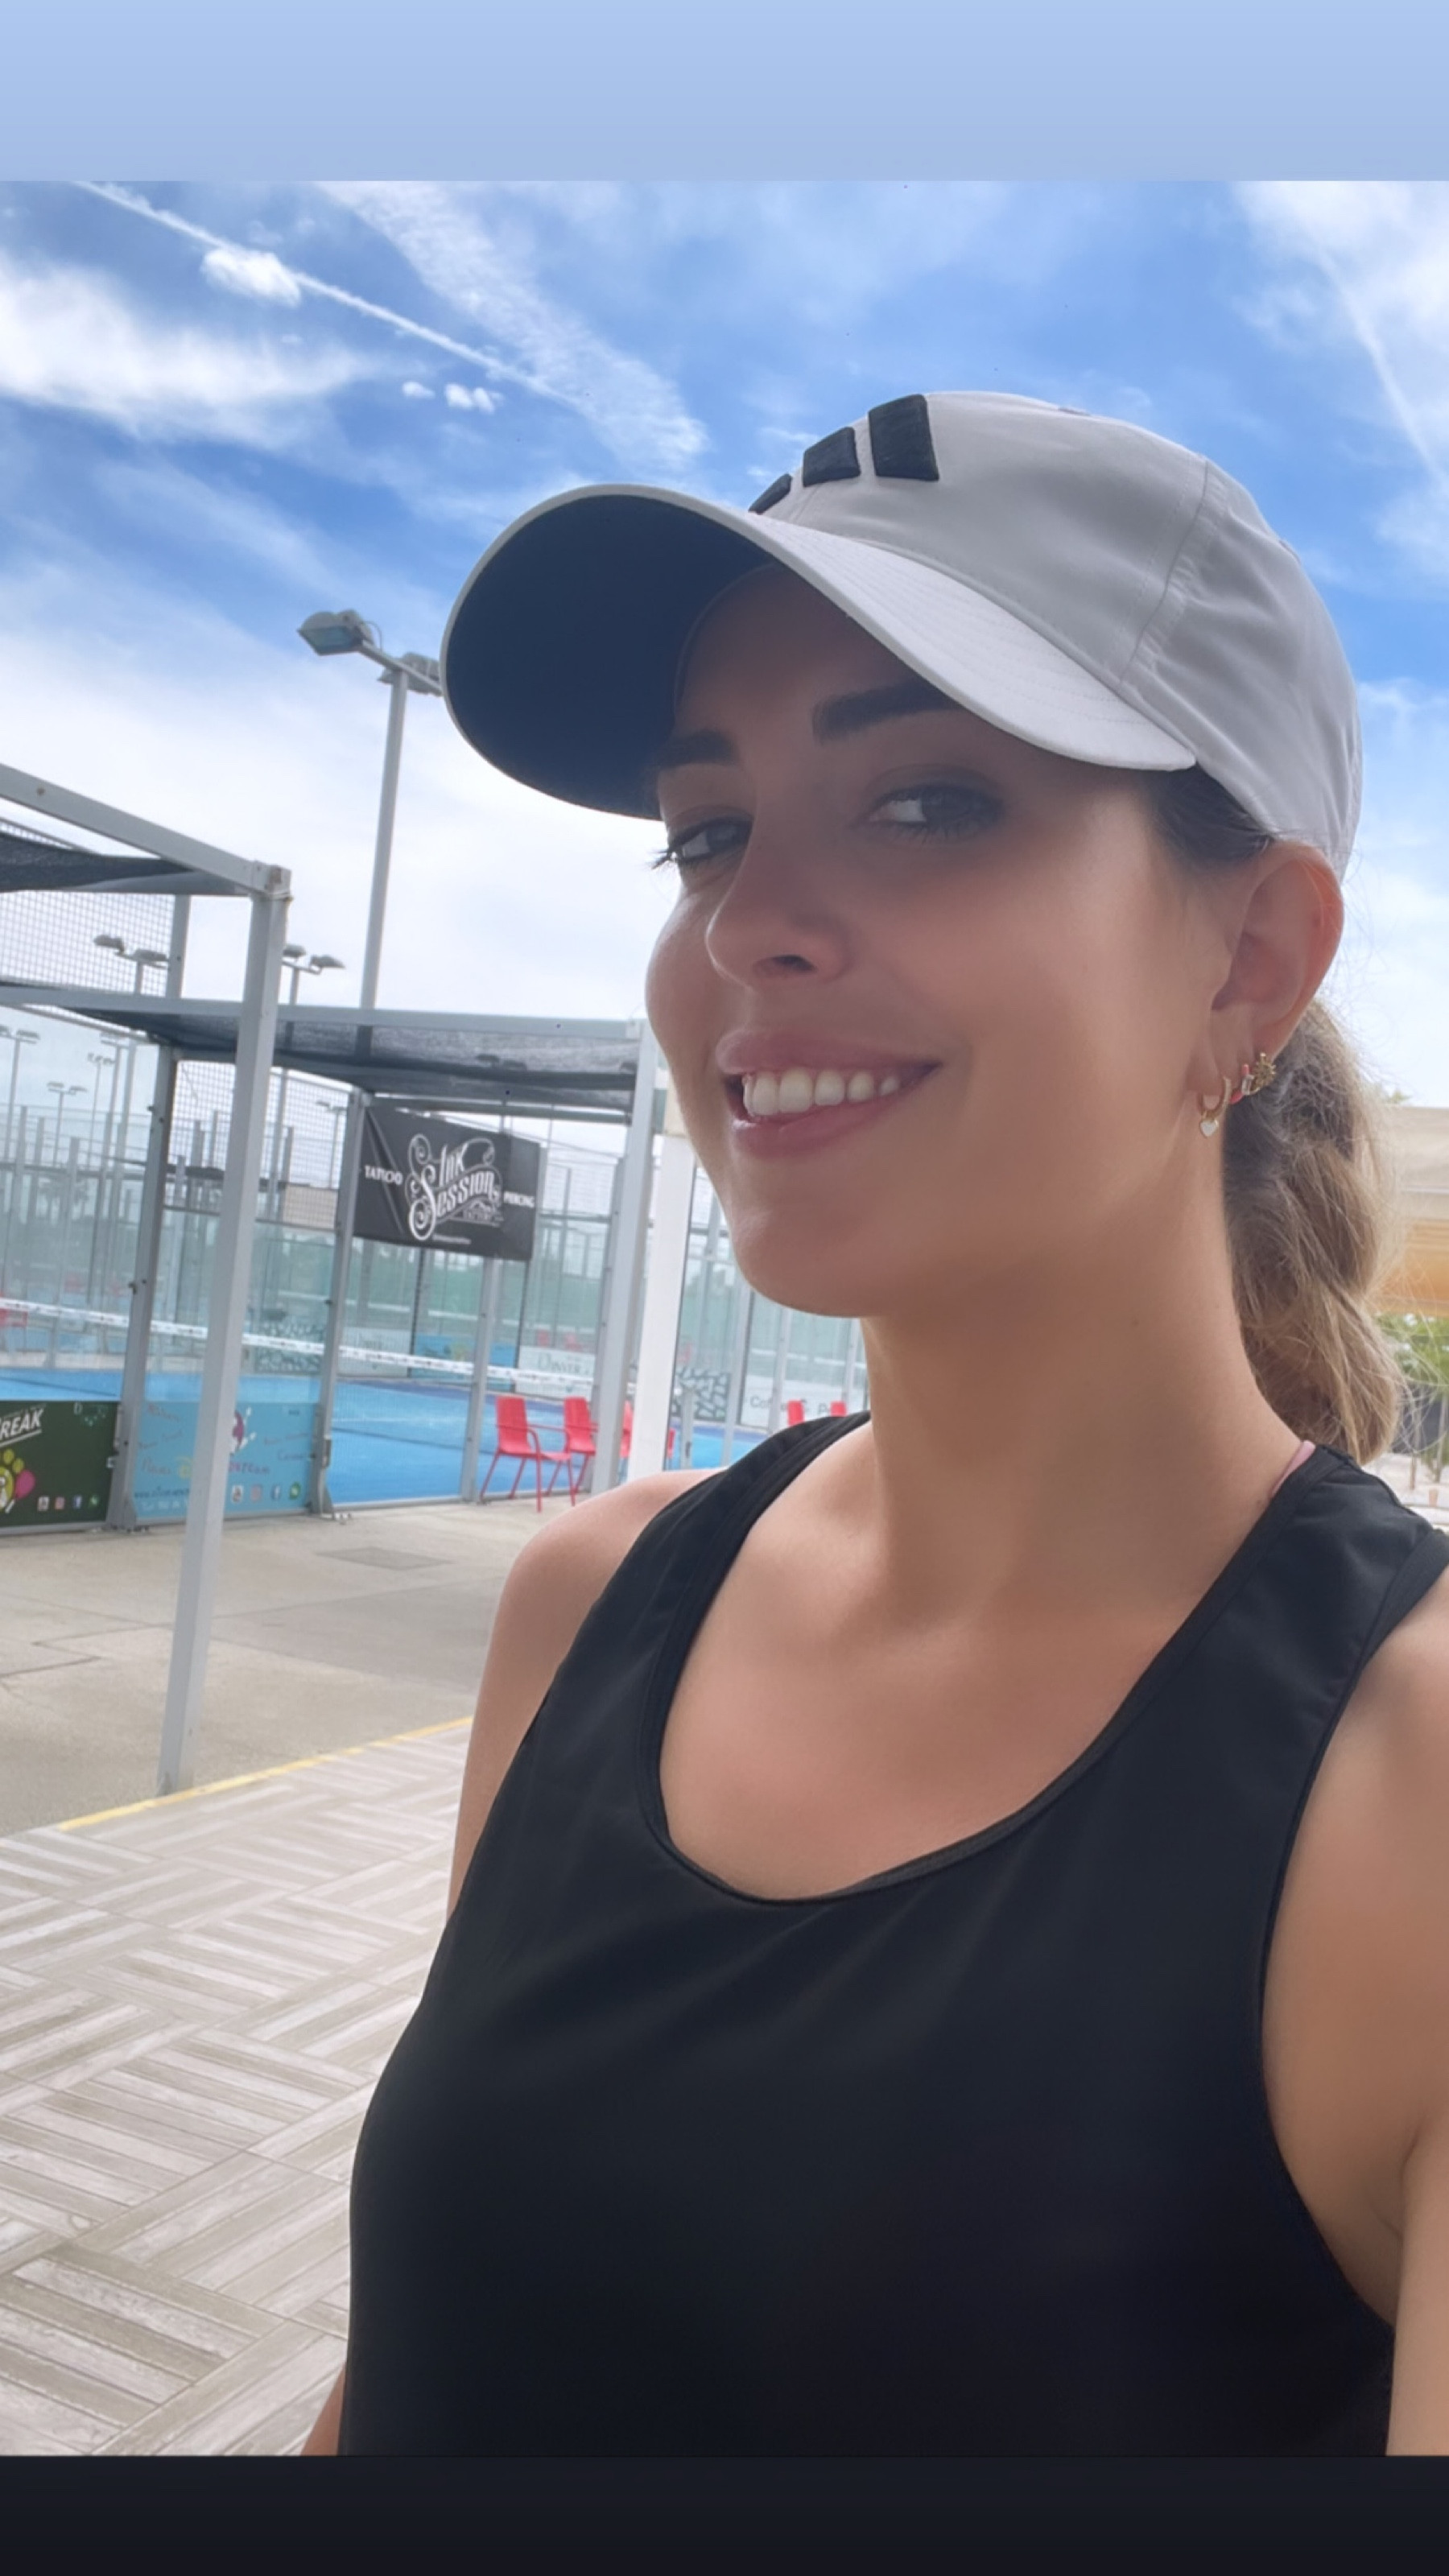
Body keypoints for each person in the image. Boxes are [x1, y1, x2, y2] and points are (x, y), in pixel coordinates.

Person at [305, 393, 1449, 2458]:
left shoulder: (1413, 1792)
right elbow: (402, 2387)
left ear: (1250, 959)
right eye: (708, 829)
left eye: (927, 801)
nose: (748, 925)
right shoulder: (592, 1600)